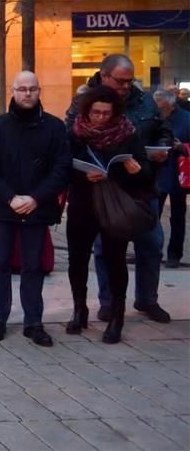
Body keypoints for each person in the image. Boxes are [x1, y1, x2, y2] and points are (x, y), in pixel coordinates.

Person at [65, 54, 173, 324]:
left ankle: (146, 300)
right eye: (120, 81)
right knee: (103, 252)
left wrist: (160, 149)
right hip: (90, 197)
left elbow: (163, 129)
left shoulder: (143, 102)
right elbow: (66, 149)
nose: (126, 86)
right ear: (104, 75)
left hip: (136, 192)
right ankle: (107, 304)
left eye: (129, 81)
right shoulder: (82, 105)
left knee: (151, 244)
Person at [0, 71, 70, 347]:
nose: (27, 94)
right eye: (22, 89)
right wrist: (9, 197)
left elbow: (61, 168)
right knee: (0, 264)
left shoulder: (54, 127)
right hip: (3, 207)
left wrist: (36, 198)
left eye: (32, 89)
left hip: (37, 208)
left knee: (33, 266)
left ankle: (34, 322)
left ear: (39, 91)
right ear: (12, 91)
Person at [65, 86, 153, 344]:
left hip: (115, 205)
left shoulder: (127, 135)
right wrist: (82, 174)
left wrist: (135, 170)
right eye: (96, 112)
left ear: (115, 113)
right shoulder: (75, 133)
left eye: (106, 113)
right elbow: (63, 168)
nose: (101, 118)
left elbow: (146, 174)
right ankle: (79, 309)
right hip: (83, 203)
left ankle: (117, 317)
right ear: (87, 111)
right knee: (77, 260)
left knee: (115, 260)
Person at [153, 89, 189, 268]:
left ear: (172, 105)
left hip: (177, 174)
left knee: (177, 217)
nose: (160, 111)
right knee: (152, 215)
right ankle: (152, 251)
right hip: (156, 174)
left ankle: (174, 254)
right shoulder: (154, 116)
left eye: (163, 108)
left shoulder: (186, 119)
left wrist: (181, 146)